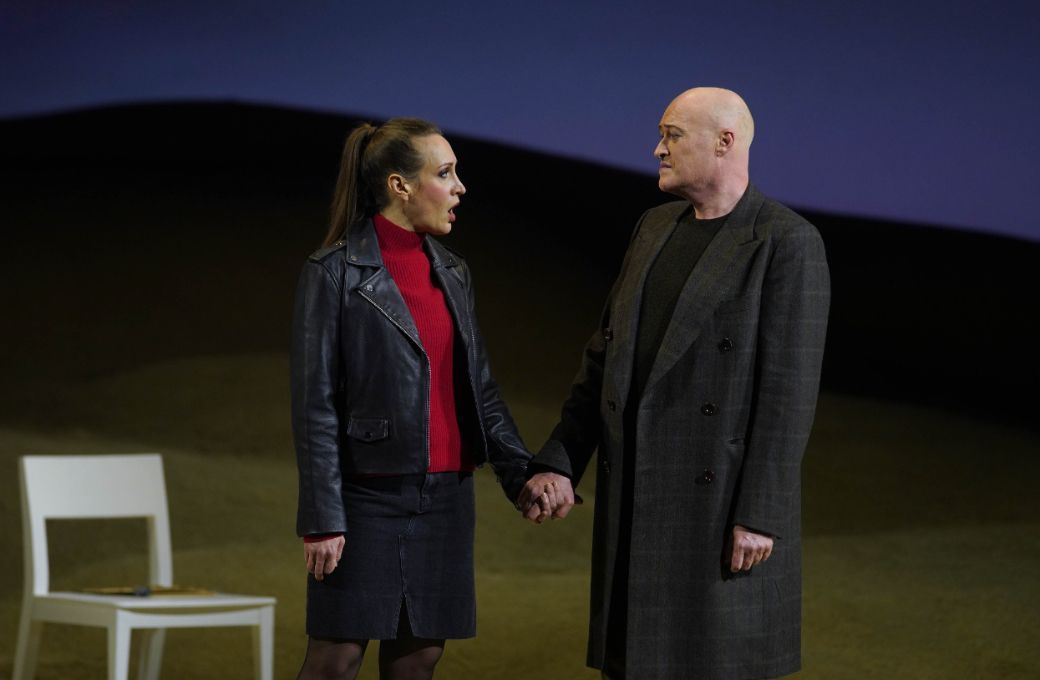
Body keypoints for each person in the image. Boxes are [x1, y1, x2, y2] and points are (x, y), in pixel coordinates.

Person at [520, 87, 831, 679]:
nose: (657, 148)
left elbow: (789, 394)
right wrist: (560, 459)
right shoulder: (653, 227)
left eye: (672, 135)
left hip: (717, 513)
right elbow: (603, 362)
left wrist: (760, 513)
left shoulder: (786, 242)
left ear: (725, 141)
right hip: (635, 502)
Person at [290, 117, 572, 680]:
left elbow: (479, 391)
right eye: (445, 174)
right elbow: (314, 405)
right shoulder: (333, 273)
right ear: (401, 186)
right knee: (335, 659)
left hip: (446, 499)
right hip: (367, 497)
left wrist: (522, 476)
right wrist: (322, 518)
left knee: (419, 660)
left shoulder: (454, 274)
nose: (459, 187)